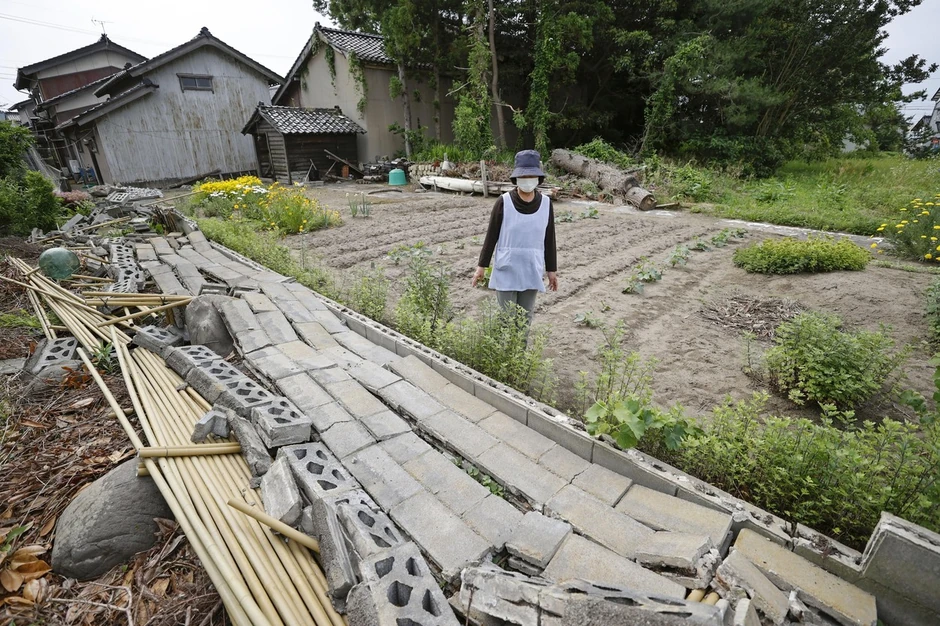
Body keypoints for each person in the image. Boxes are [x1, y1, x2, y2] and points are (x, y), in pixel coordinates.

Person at [471, 149, 558, 326]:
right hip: (507, 268)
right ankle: (505, 353)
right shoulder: (503, 202)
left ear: (538, 178)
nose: (527, 180)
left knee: (524, 321)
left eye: (530, 176)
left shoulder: (546, 205)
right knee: (506, 320)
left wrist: (552, 271)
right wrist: (481, 267)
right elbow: (491, 236)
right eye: (523, 176)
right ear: (516, 178)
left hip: (531, 268)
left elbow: (549, 240)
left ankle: (521, 353)